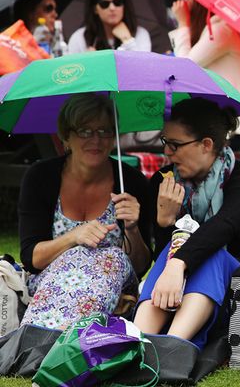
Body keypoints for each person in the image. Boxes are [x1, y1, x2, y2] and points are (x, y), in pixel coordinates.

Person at [133, 98, 240, 349]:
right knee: (172, 250)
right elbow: (161, 255)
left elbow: (221, 229)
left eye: (175, 144)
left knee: (210, 252)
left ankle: (173, 347)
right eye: (165, 142)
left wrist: (178, 263)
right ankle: (136, 342)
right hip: (176, 293)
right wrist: (164, 222)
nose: (167, 153)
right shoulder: (163, 182)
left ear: (206, 145)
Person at [17, 93, 152, 330]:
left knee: (111, 257)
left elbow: (139, 267)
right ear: (66, 136)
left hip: (110, 286)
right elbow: (32, 258)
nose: (96, 140)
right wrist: (73, 238)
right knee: (76, 256)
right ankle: (52, 335)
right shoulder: (41, 177)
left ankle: (59, 337)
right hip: (51, 283)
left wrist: (132, 229)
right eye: (85, 131)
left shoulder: (131, 182)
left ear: (114, 136)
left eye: (104, 131)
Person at [169, 0, 240, 148]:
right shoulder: (216, 29)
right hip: (221, 125)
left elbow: (185, 66)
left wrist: (183, 23)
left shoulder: (221, 29)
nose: (185, 3)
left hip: (232, 128)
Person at [68, 0, 152, 53]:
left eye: (117, 2)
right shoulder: (80, 38)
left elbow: (143, 68)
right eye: (104, 4)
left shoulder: (140, 34)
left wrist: (128, 41)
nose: (112, 8)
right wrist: (87, 62)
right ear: (95, 9)